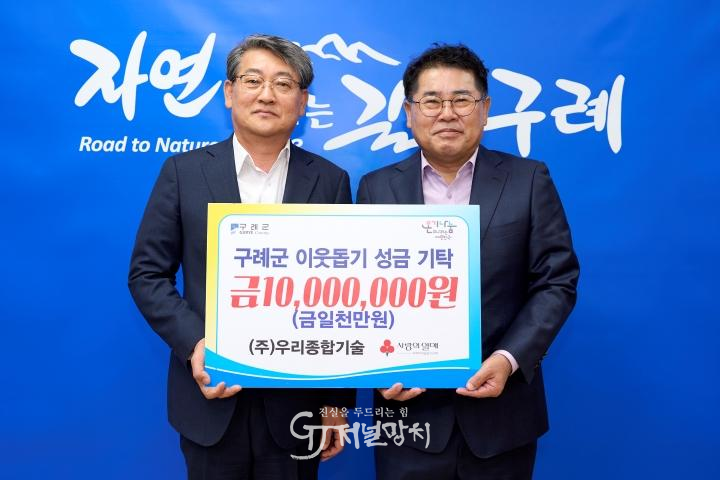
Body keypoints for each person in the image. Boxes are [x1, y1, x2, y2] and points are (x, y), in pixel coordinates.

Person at [129, 34, 354, 480]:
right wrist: (197, 344)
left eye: (283, 84)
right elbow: (147, 274)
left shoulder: (330, 181)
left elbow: (343, 298)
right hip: (210, 397)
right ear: (230, 92)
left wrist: (335, 403)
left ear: (302, 102)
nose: (267, 94)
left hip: (297, 405)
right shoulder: (184, 172)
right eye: (253, 81)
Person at [356, 43, 580, 480]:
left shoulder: (528, 180)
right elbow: (358, 294)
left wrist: (509, 358)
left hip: (502, 418)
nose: (447, 113)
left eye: (462, 100)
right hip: (408, 419)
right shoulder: (376, 188)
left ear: (485, 109)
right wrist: (376, 370)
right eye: (431, 101)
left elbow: (556, 281)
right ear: (408, 112)